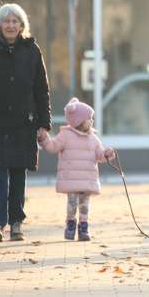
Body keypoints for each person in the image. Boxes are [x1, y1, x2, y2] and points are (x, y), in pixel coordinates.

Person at [0, 3, 52, 242]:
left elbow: (41, 89)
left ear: (22, 25)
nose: (11, 25)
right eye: (7, 21)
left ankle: (16, 223)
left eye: (15, 21)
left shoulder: (32, 51)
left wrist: (43, 122)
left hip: (22, 124)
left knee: (17, 174)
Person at [37, 98, 115, 241]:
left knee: (85, 205)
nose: (91, 121)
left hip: (87, 180)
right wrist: (43, 139)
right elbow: (53, 146)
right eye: (89, 119)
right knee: (72, 203)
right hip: (71, 179)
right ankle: (71, 224)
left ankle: (84, 226)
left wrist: (106, 154)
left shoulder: (93, 138)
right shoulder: (65, 135)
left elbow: (99, 154)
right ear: (79, 121)